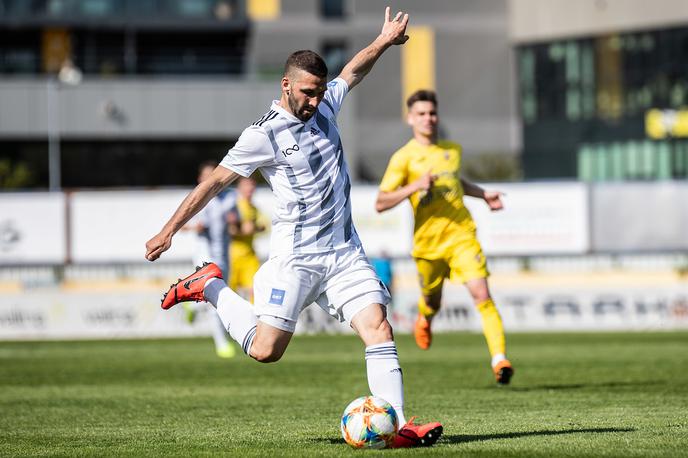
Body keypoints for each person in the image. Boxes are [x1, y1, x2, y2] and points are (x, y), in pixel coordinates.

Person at [145, 8, 442, 448]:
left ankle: (394, 427)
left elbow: (353, 71)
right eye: (307, 93)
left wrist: (383, 40)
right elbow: (214, 183)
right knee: (266, 350)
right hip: (295, 258)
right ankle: (209, 287)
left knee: (378, 327)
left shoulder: (326, 105)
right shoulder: (261, 135)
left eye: (321, 93)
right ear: (286, 86)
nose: (316, 101)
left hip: (344, 254)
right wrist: (170, 228)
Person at [375, 89, 515, 385]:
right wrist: (415, 186)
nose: (429, 118)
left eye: (432, 113)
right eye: (422, 114)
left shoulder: (452, 150)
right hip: (428, 245)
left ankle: (499, 359)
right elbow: (381, 202)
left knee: (482, 295)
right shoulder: (403, 158)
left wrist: (482, 193)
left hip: (462, 236)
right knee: (432, 301)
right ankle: (425, 317)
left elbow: (456, 181)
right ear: (411, 118)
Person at [181, 160, 239, 359]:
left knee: (218, 295)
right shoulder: (197, 198)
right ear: (200, 179)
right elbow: (183, 225)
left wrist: (235, 223)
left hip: (223, 254)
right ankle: (221, 343)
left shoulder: (230, 197)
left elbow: (236, 226)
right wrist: (195, 227)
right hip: (204, 254)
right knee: (217, 297)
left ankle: (191, 302)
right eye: (206, 176)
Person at [229, 176, 265, 301]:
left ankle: (255, 319)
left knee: (256, 290)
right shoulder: (234, 206)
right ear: (239, 188)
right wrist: (242, 230)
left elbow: (264, 226)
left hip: (250, 256)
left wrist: (253, 228)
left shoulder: (254, 208)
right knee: (228, 294)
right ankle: (194, 306)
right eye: (246, 185)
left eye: (252, 185)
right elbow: (229, 229)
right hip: (232, 257)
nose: (250, 188)